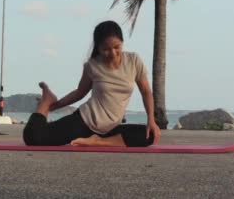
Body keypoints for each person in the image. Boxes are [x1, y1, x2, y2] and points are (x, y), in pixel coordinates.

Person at [23, 21, 161, 147]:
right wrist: (52, 106)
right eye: (106, 49)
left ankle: (98, 142)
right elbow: (79, 93)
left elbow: (146, 91)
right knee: (33, 138)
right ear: (98, 48)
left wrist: (151, 120)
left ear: (122, 42)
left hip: (110, 129)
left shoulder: (134, 61)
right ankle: (46, 100)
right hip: (84, 122)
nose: (112, 53)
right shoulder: (92, 65)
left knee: (150, 134)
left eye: (116, 47)